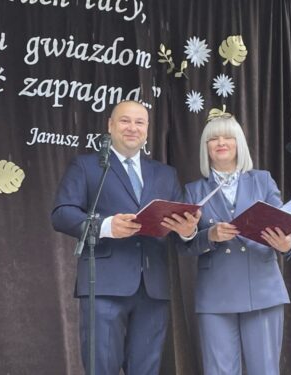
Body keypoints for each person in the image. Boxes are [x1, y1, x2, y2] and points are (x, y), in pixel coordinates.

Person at [51, 100, 199, 375]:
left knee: (147, 368)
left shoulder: (165, 174)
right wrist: (106, 226)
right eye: (125, 121)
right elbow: (62, 214)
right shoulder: (88, 166)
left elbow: (180, 232)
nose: (132, 128)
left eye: (139, 122)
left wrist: (187, 230)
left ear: (147, 130)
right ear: (110, 125)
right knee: (101, 367)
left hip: (153, 287)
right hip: (104, 284)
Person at [169, 114, 291, 375]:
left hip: (262, 289)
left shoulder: (262, 180)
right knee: (219, 371)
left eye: (227, 136)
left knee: (265, 370)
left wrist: (286, 243)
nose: (221, 142)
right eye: (213, 138)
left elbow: (286, 224)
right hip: (216, 295)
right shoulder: (194, 190)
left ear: (239, 143)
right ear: (205, 148)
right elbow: (184, 246)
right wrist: (208, 236)